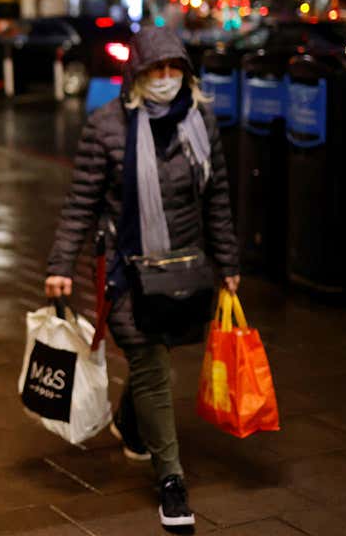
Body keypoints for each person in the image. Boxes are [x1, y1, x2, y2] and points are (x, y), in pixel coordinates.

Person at [45, 26, 239, 529]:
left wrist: (229, 263)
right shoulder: (107, 125)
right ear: (136, 75)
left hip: (183, 267)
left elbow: (216, 199)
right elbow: (81, 203)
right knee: (152, 364)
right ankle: (172, 480)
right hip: (126, 270)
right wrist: (60, 267)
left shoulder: (201, 121)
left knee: (158, 355)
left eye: (175, 69)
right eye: (157, 70)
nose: (166, 79)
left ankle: (131, 425)